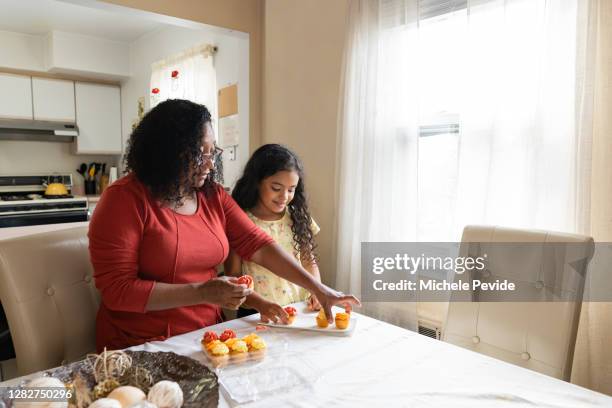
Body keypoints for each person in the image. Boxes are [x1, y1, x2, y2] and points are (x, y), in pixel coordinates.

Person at [88, 99, 358, 352]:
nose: (210, 162)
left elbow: (259, 245)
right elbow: (118, 291)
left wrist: (319, 289)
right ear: (167, 152)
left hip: (207, 334)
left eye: (212, 151)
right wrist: (203, 292)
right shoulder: (123, 200)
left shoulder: (212, 195)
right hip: (141, 342)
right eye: (199, 153)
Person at [225, 144, 323, 323]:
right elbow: (234, 276)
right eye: (276, 188)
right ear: (256, 182)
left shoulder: (297, 217)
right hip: (257, 313)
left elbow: (309, 261)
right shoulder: (240, 221)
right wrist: (260, 304)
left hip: (299, 308)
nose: (284, 196)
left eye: (291, 189)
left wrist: (317, 290)